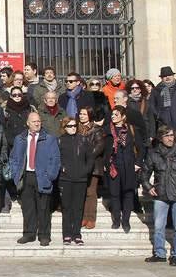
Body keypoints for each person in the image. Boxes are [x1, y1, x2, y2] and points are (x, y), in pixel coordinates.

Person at [141, 125, 176, 266]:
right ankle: (159, 253)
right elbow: (144, 173)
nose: (171, 138)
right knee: (159, 226)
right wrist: (148, 186)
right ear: (161, 138)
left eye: (172, 135)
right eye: (167, 136)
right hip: (161, 194)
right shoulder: (154, 153)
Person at [9, 112, 61, 246]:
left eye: (38, 121)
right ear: (28, 123)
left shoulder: (49, 139)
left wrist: (50, 176)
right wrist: (16, 175)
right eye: (34, 121)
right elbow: (14, 158)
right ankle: (28, 234)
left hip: (42, 177)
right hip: (26, 176)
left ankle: (44, 235)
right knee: (27, 208)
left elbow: (55, 159)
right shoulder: (20, 139)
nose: (37, 123)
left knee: (43, 208)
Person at [104, 105, 146, 233]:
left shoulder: (131, 130)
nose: (113, 117)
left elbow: (141, 148)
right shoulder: (107, 130)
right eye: (112, 114)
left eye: (116, 115)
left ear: (123, 117)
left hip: (129, 165)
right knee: (114, 194)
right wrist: (106, 163)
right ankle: (116, 220)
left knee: (128, 193)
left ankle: (126, 221)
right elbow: (104, 149)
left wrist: (138, 163)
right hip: (113, 166)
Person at [58, 116, 95, 245]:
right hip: (65, 179)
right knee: (67, 207)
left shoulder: (84, 140)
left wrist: (86, 170)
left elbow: (90, 158)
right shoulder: (60, 141)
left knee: (78, 208)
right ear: (64, 127)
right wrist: (62, 168)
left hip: (81, 179)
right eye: (70, 126)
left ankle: (77, 234)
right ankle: (67, 234)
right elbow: (57, 158)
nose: (73, 128)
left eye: (74, 125)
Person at [78, 107, 105, 230]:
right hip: (78, 164)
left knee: (91, 192)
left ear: (90, 115)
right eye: (80, 114)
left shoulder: (96, 129)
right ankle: (83, 217)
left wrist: (87, 155)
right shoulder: (76, 127)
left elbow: (100, 145)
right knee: (81, 192)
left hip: (93, 165)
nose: (81, 116)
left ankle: (91, 218)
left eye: (84, 114)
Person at [150, 66, 176, 140]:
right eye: (164, 76)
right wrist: (159, 115)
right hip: (164, 122)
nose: (167, 77)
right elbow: (152, 105)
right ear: (161, 78)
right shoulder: (156, 90)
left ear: (173, 76)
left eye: (169, 75)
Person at [4, 87, 33, 154]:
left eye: (19, 95)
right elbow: (4, 127)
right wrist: (11, 141)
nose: (17, 96)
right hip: (12, 144)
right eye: (14, 95)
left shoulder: (29, 108)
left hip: (27, 143)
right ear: (11, 96)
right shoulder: (5, 110)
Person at [125, 79, 156, 143]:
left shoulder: (146, 102)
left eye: (137, 88)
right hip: (131, 134)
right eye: (132, 88)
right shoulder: (126, 102)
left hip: (145, 134)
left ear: (141, 89)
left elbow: (151, 120)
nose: (134, 89)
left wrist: (152, 136)